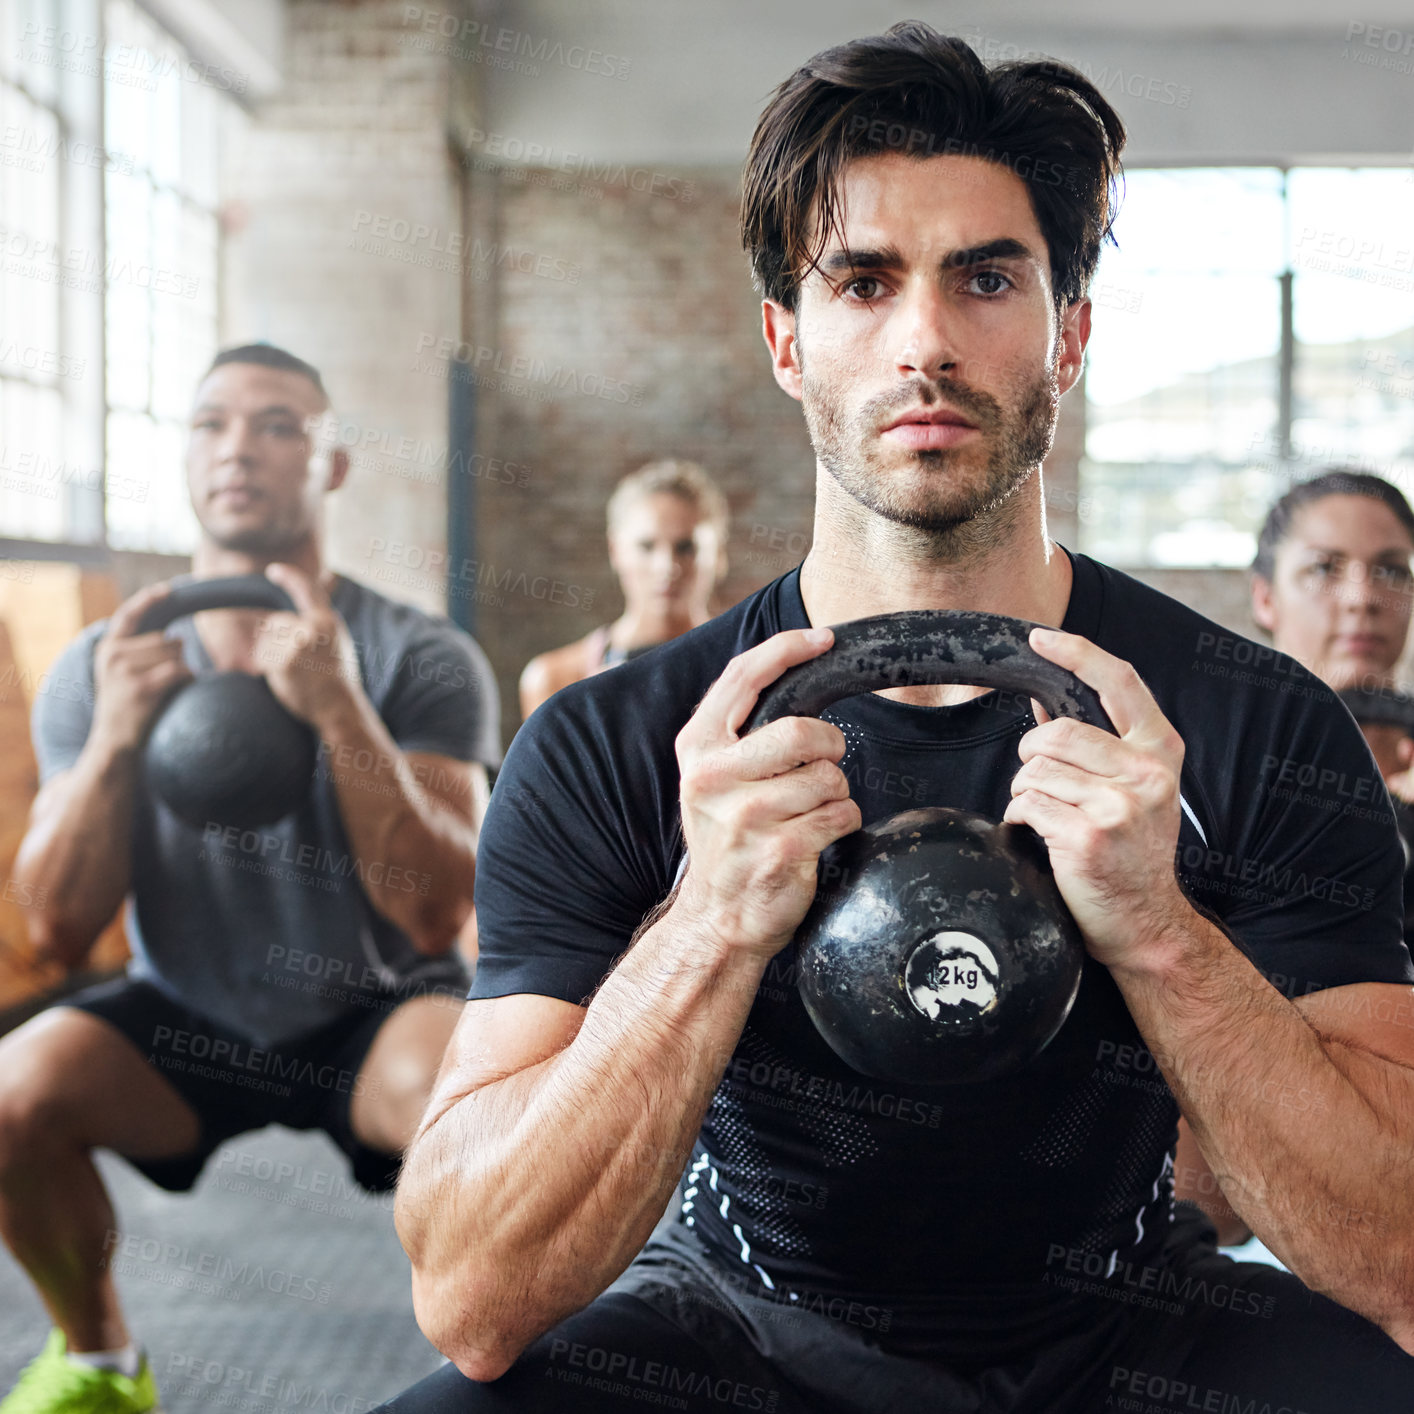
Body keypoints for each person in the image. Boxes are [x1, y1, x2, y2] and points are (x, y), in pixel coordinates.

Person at [390, 25, 1414, 1414]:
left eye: (985, 278)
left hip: (1128, 1331)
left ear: (1068, 330)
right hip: (741, 1337)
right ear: (784, 340)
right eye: (861, 283)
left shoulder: (1253, 725)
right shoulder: (615, 740)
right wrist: (707, 920)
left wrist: (1161, 932)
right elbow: (468, 1290)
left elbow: (1398, 1248)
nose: (925, 341)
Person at [0, 344, 500, 1412]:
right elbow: (53, 926)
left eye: (278, 425)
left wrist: (338, 710)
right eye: (212, 423)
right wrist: (117, 742)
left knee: (481, 1105)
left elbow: (437, 909)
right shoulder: (107, 661)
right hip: (186, 1006)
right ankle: (96, 1361)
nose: (240, 448)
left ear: (331, 465)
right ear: (183, 452)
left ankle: (489, 1363)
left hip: (371, 1010)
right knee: (9, 1097)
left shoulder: (418, 652)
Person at [1167, 469, 1414, 1246]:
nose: (1362, 597)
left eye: (1391, 571)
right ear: (1265, 597)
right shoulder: (1189, 781)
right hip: (1245, 1203)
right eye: (1324, 568)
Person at [518, 460, 729, 717]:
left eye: (686, 548)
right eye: (646, 546)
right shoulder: (555, 680)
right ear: (615, 550)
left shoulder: (752, 666)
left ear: (718, 555)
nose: (667, 567)